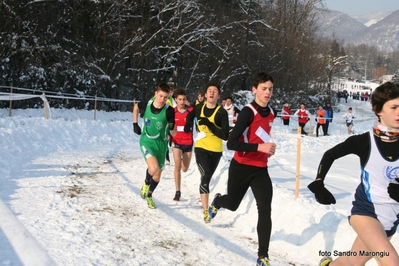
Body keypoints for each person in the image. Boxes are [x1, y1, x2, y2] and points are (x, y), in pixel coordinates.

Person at [308, 82, 399, 266]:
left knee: (353, 261)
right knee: (391, 262)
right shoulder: (364, 142)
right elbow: (330, 155)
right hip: (366, 212)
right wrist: (319, 182)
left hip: (391, 217)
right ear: (378, 110)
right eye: (394, 107)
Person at [208, 72, 277, 266]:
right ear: (254, 90)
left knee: (265, 210)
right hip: (241, 167)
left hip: (260, 170)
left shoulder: (272, 112)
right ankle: (218, 201)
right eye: (263, 88)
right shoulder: (248, 112)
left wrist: (268, 147)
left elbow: (260, 136)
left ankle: (263, 256)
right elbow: (231, 143)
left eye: (270, 89)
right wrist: (259, 147)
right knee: (233, 204)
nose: (267, 92)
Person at [184, 82, 229, 223]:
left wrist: (210, 125)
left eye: (215, 91)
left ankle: (213, 202)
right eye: (209, 90)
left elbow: (225, 135)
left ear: (218, 95)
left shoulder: (222, 113)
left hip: (216, 150)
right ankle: (205, 211)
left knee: (207, 178)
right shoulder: (198, 108)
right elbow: (190, 116)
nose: (212, 93)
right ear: (205, 94)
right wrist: (187, 125)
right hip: (201, 148)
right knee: (205, 175)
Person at [132, 83, 177, 209]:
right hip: (147, 141)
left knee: (157, 174)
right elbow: (136, 107)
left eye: (165, 97)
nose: (162, 100)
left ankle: (150, 195)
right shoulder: (147, 103)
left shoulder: (169, 110)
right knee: (153, 167)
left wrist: (172, 129)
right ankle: (146, 184)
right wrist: (135, 124)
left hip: (161, 143)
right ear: (156, 94)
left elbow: (174, 132)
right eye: (160, 96)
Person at [171, 89, 194, 201]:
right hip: (176, 142)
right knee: (177, 165)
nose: (182, 101)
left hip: (188, 143)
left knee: (184, 169)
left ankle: (180, 159)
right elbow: (169, 126)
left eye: (184, 99)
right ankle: (177, 191)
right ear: (176, 99)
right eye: (179, 99)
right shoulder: (172, 111)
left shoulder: (191, 111)